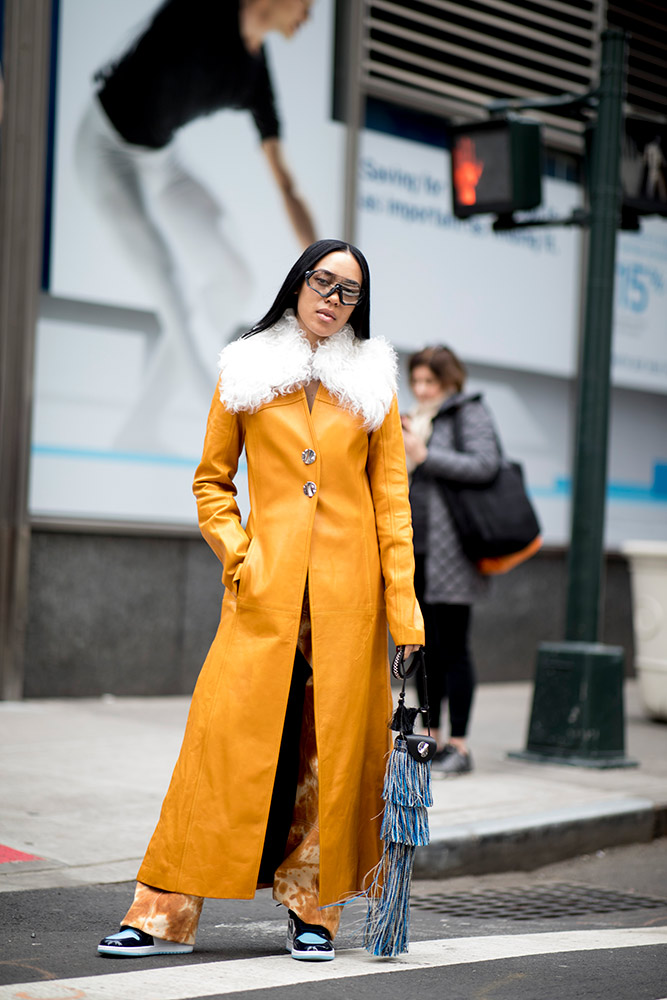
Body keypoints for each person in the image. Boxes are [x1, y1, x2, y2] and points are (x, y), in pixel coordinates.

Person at [97, 238, 424, 962]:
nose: (333, 300)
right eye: (323, 282)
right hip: (262, 596)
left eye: (349, 294)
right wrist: (241, 555)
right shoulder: (244, 367)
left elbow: (391, 503)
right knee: (219, 750)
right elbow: (210, 483)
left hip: (351, 605)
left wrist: (405, 612)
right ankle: (162, 913)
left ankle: (315, 910)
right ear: (297, 282)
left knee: (327, 758)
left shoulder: (372, 383)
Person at [75, 0, 317, 453]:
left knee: (234, 277)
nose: (310, 16)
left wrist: (326, 262)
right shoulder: (199, 12)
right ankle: (218, 419)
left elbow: (285, 183)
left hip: (161, 161)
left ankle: (139, 427)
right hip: (104, 149)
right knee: (169, 282)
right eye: (307, 3)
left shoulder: (254, 77)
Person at [401, 346, 500, 776]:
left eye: (430, 383)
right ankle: (433, 736)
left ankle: (459, 745)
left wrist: (425, 455)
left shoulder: (467, 412)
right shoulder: (417, 419)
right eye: (417, 382)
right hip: (416, 548)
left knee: (454, 647)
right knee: (427, 649)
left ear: (449, 382)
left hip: (452, 551)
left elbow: (485, 464)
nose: (422, 390)